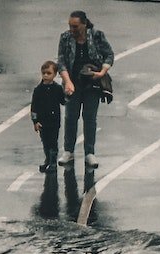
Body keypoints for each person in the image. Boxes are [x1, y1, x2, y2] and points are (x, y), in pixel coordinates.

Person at [56, 10, 114, 169]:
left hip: (92, 84)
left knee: (89, 117)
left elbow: (109, 55)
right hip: (73, 82)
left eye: (75, 26)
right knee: (70, 117)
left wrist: (101, 72)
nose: (72, 29)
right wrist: (67, 82)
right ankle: (68, 151)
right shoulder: (66, 38)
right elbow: (61, 62)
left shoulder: (97, 36)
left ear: (84, 24)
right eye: (70, 26)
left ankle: (90, 152)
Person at [31, 60, 65, 173]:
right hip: (43, 121)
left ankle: (53, 162)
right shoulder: (38, 90)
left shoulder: (57, 89)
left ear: (54, 75)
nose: (45, 75)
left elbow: (63, 101)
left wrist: (68, 94)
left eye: (49, 73)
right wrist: (35, 121)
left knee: (53, 141)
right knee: (45, 142)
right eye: (44, 73)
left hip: (54, 121)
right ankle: (48, 159)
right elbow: (34, 107)